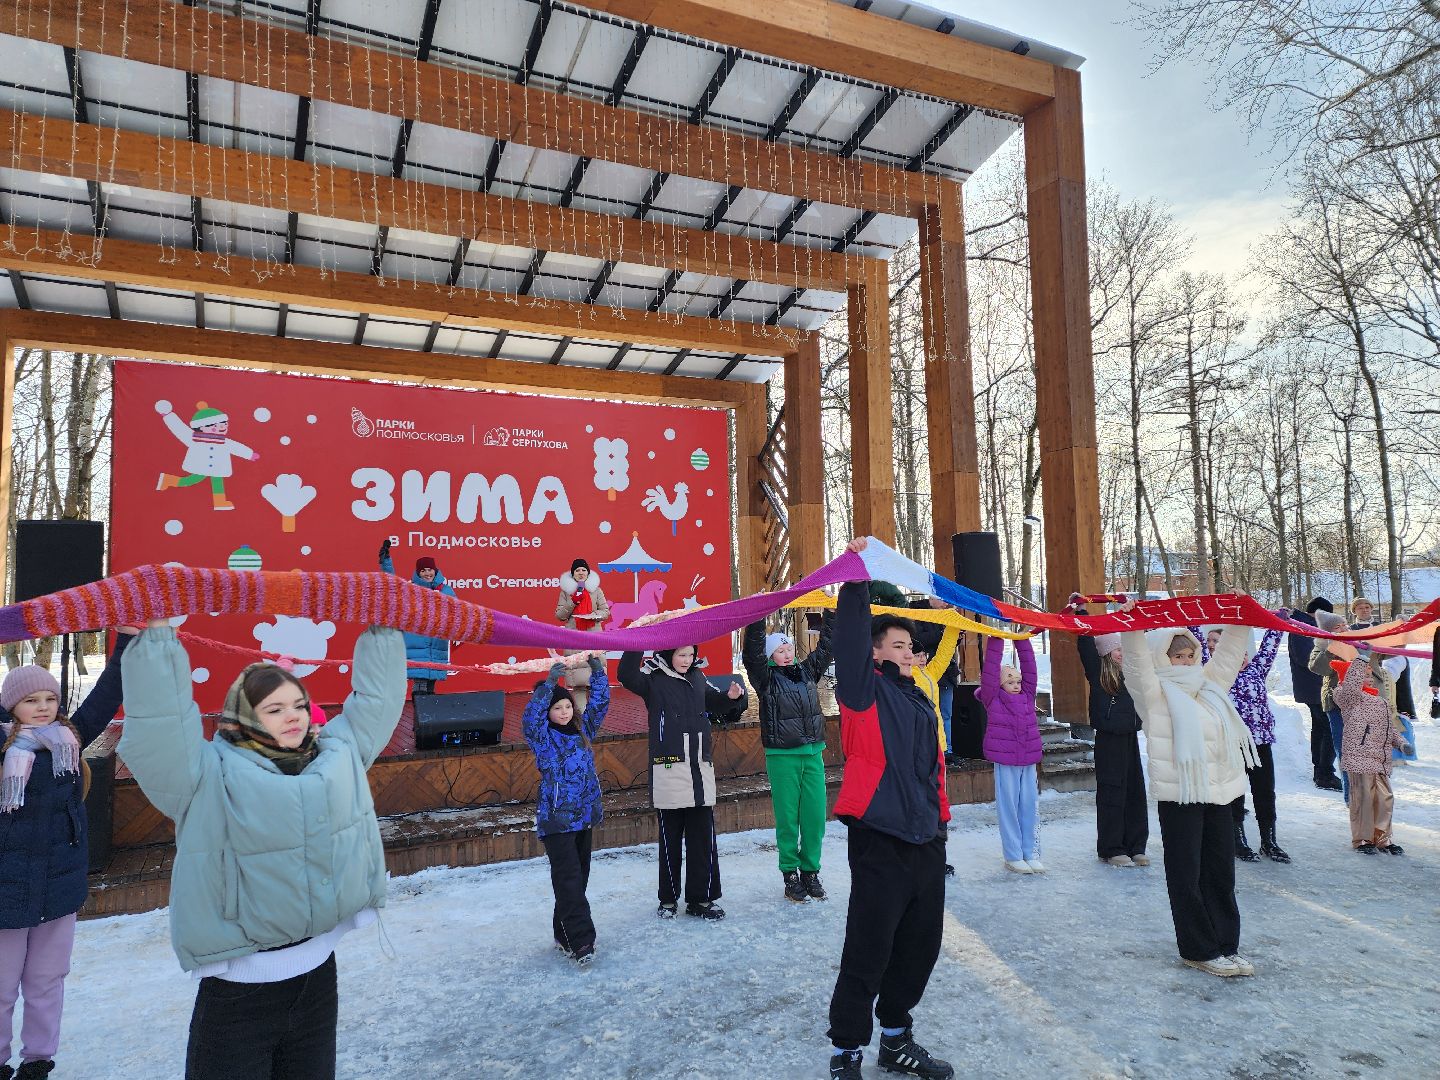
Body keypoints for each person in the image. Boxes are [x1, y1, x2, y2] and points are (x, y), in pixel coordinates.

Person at [119, 621, 407, 1080]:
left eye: (298, 704)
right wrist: (155, 643)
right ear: (244, 716)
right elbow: (161, 729)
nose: (292, 715)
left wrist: (383, 630)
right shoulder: (206, 775)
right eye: (273, 709)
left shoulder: (336, 757)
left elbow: (377, 704)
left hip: (318, 978)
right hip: (239, 993)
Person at [828, 539, 953, 1080]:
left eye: (909, 645)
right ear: (876, 652)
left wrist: (942, 824)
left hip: (926, 838)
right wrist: (856, 579)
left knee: (921, 944)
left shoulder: (919, 697)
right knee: (869, 947)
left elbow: (931, 769)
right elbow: (849, 636)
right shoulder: (862, 693)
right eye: (898, 644)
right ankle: (848, 1050)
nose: (908, 651)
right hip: (880, 837)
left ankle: (896, 1039)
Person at [1, 630, 134, 1080]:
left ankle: (38, 1059)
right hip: (6, 890)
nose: (43, 706)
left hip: (59, 885)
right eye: (30, 699)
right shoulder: (3, 748)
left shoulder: (70, 738)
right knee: (0, 986)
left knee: (46, 981)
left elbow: (107, 692)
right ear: (10, 706)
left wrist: (127, 642)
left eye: (50, 698)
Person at [1119, 602, 1258, 979]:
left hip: (1221, 794)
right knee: (1187, 875)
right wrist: (1132, 625)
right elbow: (1135, 665)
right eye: (1175, 655)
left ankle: (1226, 945)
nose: (1183, 661)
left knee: (1221, 873)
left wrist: (1239, 616)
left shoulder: (1208, 685)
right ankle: (1198, 948)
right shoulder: (1154, 694)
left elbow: (1228, 656)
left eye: (1188, 654)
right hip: (1180, 796)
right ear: (1162, 657)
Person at [618, 644, 745, 921]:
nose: (686, 660)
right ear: (667, 654)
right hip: (669, 768)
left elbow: (714, 701)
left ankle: (701, 899)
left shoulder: (698, 677)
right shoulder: (653, 680)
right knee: (670, 838)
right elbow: (626, 675)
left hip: (699, 767)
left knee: (702, 839)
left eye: (690, 655)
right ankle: (668, 899)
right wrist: (637, 642)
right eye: (681, 655)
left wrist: (731, 697)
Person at [522, 652, 611, 965]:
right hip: (557, 820)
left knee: (578, 879)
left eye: (566, 706)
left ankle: (563, 933)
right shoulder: (543, 738)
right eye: (556, 707)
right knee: (569, 880)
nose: (563, 711)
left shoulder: (583, 729)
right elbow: (530, 719)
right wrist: (549, 684)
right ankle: (582, 941)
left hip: (584, 816)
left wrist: (598, 672)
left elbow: (600, 703)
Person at [742, 613, 834, 903]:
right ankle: (790, 873)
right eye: (780, 650)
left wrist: (831, 615)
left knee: (815, 817)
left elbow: (826, 649)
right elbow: (752, 654)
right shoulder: (765, 678)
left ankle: (810, 870)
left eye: (789, 648)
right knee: (788, 818)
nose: (787, 653)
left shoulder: (807, 672)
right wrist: (757, 617)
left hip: (813, 753)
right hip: (782, 755)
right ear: (771, 655)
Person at [1196, 626, 1290, 864]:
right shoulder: (1214, 675)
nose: (1215, 646)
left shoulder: (1257, 670)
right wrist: (1193, 621)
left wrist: (1279, 620)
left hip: (1259, 744)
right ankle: (1238, 840)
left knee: (1265, 792)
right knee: (1235, 793)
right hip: (1231, 744)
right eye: (1212, 644)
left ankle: (1269, 840)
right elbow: (1198, 643)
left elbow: (1270, 645)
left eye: (1221, 642)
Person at [1074, 605, 1149, 869]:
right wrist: (1080, 613)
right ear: (1106, 652)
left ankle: (1136, 845)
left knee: (1135, 793)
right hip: (1108, 739)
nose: (1122, 653)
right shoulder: (1098, 672)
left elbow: (1141, 642)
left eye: (1124, 649)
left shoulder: (1133, 671)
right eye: (1118, 649)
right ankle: (1112, 847)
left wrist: (1130, 613)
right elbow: (1084, 643)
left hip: (1130, 738)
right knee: (1113, 792)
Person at [1333, 647, 1412, 855]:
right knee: (1363, 801)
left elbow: (1390, 729)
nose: (1369, 679)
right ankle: (1363, 839)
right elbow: (1351, 686)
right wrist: (1360, 659)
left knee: (1385, 799)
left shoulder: (1380, 701)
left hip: (1380, 759)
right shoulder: (1347, 697)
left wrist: (1401, 743)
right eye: (1364, 676)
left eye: (1370, 675)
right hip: (1359, 757)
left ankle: (1382, 839)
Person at [977, 634, 1043, 874]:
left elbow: (1030, 666)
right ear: (1000, 684)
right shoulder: (992, 699)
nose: (1016, 684)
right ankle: (1013, 855)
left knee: (1029, 805)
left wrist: (1022, 639)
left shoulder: (1028, 696)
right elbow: (991, 668)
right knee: (1009, 808)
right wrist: (997, 638)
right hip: (1005, 760)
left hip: (1028, 759)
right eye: (1010, 681)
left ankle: (1031, 853)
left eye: (1018, 681)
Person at [379, 537, 456, 697]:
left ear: (435, 571)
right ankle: (420, 719)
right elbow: (391, 584)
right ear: (418, 573)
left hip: (436, 647)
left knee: (430, 687)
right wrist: (386, 562)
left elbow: (455, 612)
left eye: (429, 569)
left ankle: (427, 720)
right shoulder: (410, 590)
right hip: (417, 646)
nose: (427, 573)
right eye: (423, 570)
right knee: (420, 686)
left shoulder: (445, 591)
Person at [1289, 599, 1342, 790]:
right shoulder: (1304, 628)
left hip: (1314, 687)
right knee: (1327, 729)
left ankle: (1321, 771)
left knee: (1321, 729)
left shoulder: (1307, 626)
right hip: (1315, 687)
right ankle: (1324, 773)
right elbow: (1307, 658)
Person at [554, 558, 610, 712]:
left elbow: (605, 611)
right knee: (579, 684)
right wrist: (573, 601)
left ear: (588, 573)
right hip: (574, 640)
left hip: (594, 639)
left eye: (583, 570)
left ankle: (594, 718)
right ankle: (582, 719)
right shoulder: (566, 592)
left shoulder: (596, 590)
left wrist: (593, 615)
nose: (580, 573)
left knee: (596, 682)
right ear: (573, 574)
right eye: (577, 570)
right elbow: (560, 615)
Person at [1309, 612, 1352, 803]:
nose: (1343, 629)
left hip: (1363, 702)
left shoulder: (1358, 640)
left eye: (1344, 625)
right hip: (1336, 704)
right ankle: (1352, 799)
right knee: (1346, 750)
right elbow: (1318, 668)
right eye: (1337, 627)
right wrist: (1333, 648)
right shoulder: (1321, 646)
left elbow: (1381, 654)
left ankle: (1371, 792)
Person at [910, 597, 959, 761]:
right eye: (917, 656)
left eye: (924, 655)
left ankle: (947, 750)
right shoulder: (906, 676)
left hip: (938, 744)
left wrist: (953, 626)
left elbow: (944, 653)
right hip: (919, 745)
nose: (922, 659)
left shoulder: (931, 672)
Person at [1351, 597, 1415, 717]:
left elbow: (1395, 646)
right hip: (1358, 673)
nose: (1364, 610)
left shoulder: (1381, 627)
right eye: (1360, 608)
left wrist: (1402, 628)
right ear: (1354, 611)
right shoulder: (1351, 630)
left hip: (1378, 670)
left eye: (1367, 607)